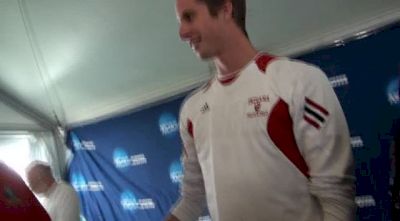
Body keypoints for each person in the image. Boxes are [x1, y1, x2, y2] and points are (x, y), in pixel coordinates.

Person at [166, 0, 356, 220]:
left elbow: (337, 201)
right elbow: (191, 200)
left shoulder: (298, 82)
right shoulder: (192, 110)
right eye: (180, 22)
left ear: (226, 9)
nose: (182, 32)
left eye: (189, 17)